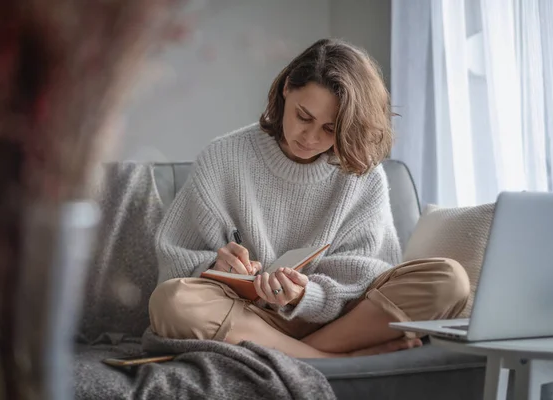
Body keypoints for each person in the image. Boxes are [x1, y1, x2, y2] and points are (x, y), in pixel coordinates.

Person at [148, 38, 470, 358]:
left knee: (449, 280)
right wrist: (216, 265)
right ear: (287, 87)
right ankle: (331, 360)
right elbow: (175, 264)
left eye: (331, 128)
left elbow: (371, 272)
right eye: (304, 117)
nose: (311, 138)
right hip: (247, 316)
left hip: (337, 319)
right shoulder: (223, 157)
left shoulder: (363, 175)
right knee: (172, 301)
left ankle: (298, 355)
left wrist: (306, 294)